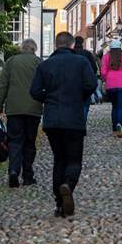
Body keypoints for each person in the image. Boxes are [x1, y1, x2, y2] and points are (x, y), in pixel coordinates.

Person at [29, 31, 97, 217]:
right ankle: (68, 184)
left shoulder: (45, 65)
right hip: (74, 119)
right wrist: (79, 96)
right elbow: (91, 84)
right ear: (72, 45)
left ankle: (59, 203)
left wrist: (48, 98)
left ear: (56, 45)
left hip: (53, 120)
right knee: (74, 160)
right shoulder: (81, 63)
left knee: (59, 160)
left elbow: (34, 91)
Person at [0, 38, 43, 188]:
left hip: (14, 108)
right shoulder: (39, 62)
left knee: (14, 141)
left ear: (22, 48)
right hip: (34, 108)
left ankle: (13, 171)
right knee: (29, 142)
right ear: (34, 49)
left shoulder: (11, 62)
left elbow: (3, 85)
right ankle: (28, 175)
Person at [101, 39, 122, 138]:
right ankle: (120, 124)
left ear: (110, 48)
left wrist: (106, 80)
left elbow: (103, 72)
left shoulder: (106, 57)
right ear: (120, 48)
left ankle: (115, 129)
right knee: (121, 107)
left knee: (114, 106)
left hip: (111, 85)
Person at [73, 35, 100, 117]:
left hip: (72, 83)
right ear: (82, 43)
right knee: (85, 104)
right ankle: (82, 123)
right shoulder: (87, 54)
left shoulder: (71, 53)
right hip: (85, 83)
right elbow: (94, 68)